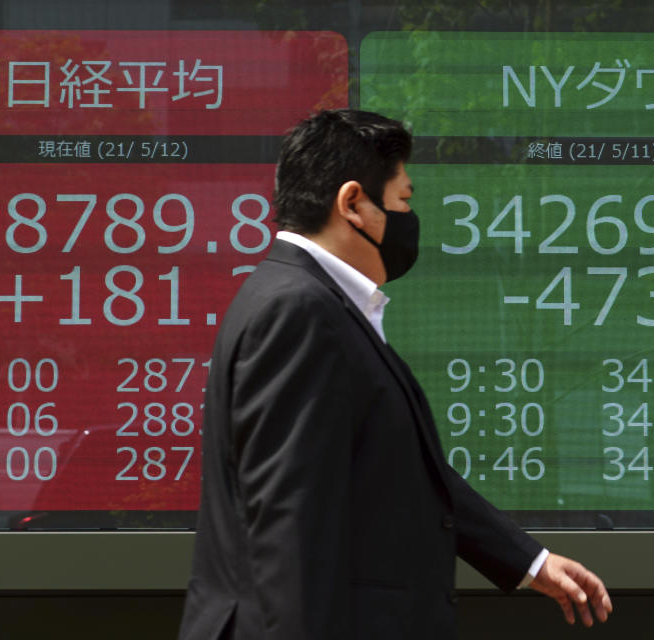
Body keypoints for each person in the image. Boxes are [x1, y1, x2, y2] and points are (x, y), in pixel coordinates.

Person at [178, 109, 612, 640]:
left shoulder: (317, 304)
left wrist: (530, 561)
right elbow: (288, 525)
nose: (410, 215)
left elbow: (403, 470)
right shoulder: (300, 312)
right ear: (353, 204)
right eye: (403, 199)